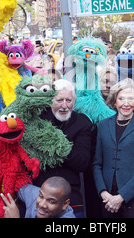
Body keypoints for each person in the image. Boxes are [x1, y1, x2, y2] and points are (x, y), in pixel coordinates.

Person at [93, 78, 134, 218]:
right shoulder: (103, 125)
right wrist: (103, 192)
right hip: (107, 197)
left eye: (130, 99)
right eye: (121, 98)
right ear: (115, 101)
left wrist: (121, 197)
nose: (126, 103)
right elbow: (97, 163)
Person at [34, 79, 93, 218]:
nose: (65, 106)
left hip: (70, 194)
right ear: (50, 100)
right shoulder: (38, 120)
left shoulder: (82, 123)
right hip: (39, 191)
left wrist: (55, 143)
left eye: (69, 100)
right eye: (59, 100)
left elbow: (82, 162)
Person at [2, 176, 75, 218]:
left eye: (51, 201)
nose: (42, 204)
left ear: (65, 204)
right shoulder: (34, 194)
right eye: (41, 196)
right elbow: (16, 183)